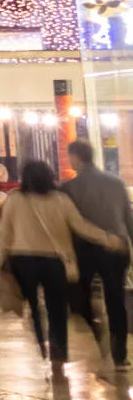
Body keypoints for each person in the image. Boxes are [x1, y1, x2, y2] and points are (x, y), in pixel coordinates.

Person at [0, 158, 125, 374]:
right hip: (54, 261)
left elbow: (4, 233)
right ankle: (58, 351)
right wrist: (109, 239)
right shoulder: (60, 200)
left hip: (23, 260)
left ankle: (41, 341)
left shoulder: (14, 199)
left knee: (32, 305)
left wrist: (1, 260)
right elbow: (81, 227)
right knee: (56, 307)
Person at [61, 139, 132, 370]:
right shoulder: (117, 183)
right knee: (116, 298)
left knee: (78, 292)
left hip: (86, 248)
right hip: (117, 247)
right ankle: (120, 355)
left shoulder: (70, 188)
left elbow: (69, 223)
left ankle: (95, 326)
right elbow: (128, 217)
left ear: (76, 157)